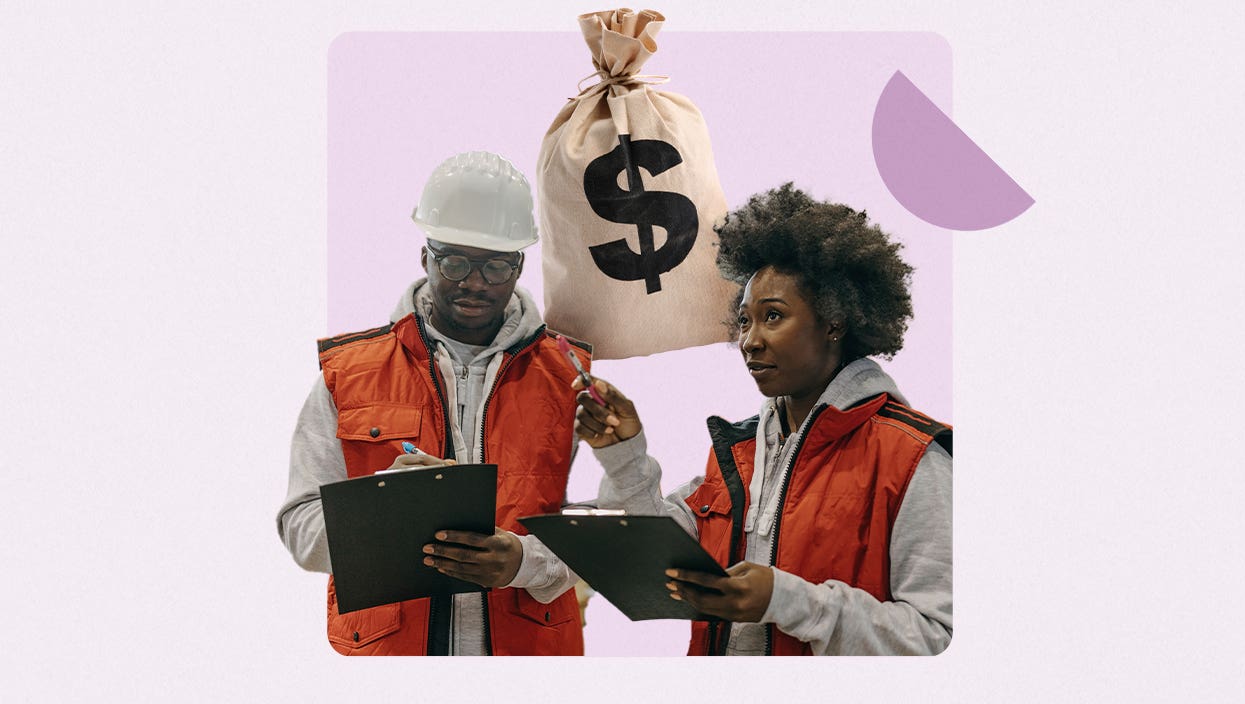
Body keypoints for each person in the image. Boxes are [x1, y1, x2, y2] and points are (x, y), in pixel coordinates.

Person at [575, 183, 953, 655]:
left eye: (773, 316)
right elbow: (649, 560)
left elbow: (939, 640)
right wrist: (622, 451)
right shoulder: (740, 453)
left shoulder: (916, 457)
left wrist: (787, 600)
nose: (750, 340)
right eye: (745, 321)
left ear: (834, 323)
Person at [277, 151, 588, 655]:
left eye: (495, 266)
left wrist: (527, 562)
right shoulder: (347, 375)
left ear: (519, 265)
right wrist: (382, 510)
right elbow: (300, 528)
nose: (474, 282)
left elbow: (620, 523)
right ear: (426, 256)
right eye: (455, 261)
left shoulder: (571, 377)